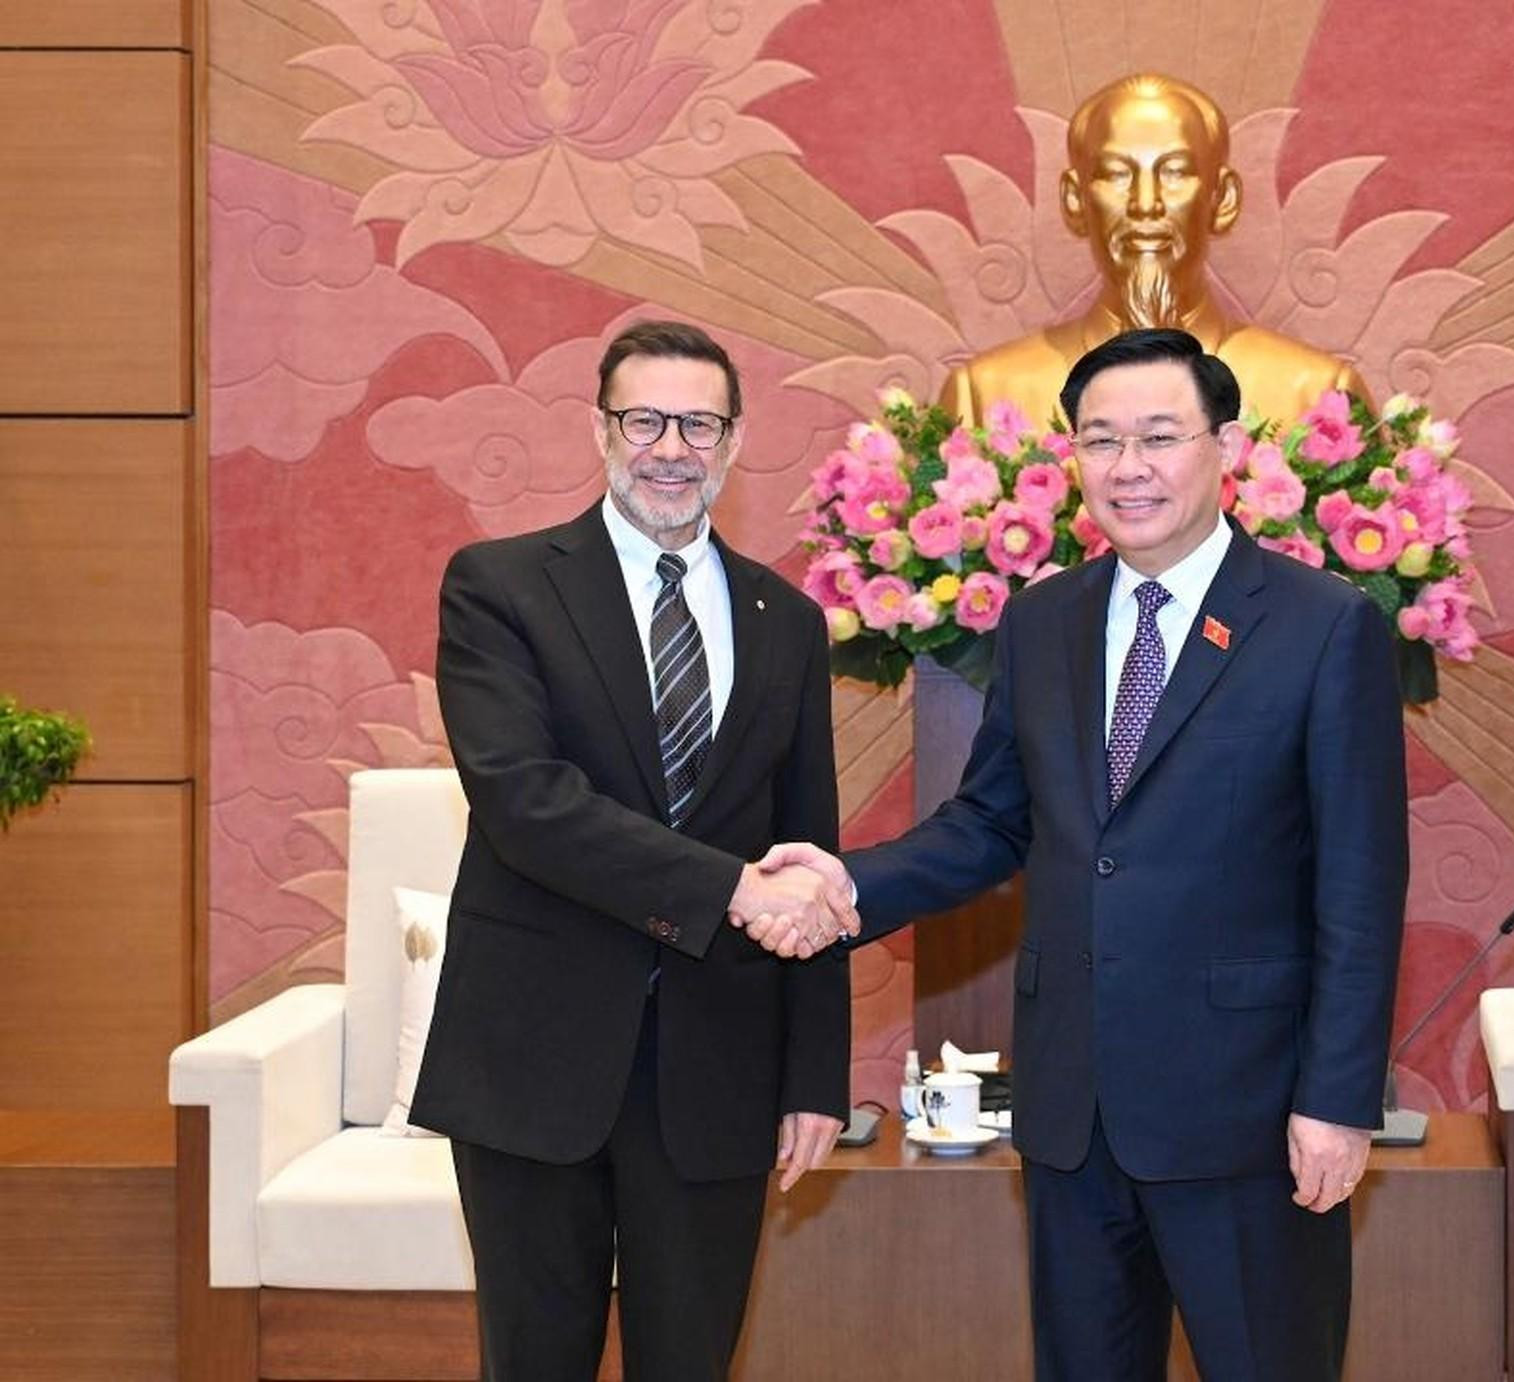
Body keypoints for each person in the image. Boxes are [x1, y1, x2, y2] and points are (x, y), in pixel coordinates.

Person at [750, 328, 1408, 1382]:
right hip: (1072, 1110)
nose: (1127, 466)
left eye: (1158, 435)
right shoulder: (1043, 620)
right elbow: (992, 821)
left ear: (1224, 447)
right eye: (1100, 440)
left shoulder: (1323, 627)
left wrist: (1336, 1098)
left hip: (1245, 1113)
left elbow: (1361, 887)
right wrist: (847, 880)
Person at [412, 319, 858, 1381]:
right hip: (534, 1055)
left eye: (697, 422)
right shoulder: (502, 585)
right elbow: (526, 801)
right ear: (601, 430)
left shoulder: (787, 620)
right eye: (645, 419)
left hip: (718, 1064)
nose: (671, 446)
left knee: (693, 1362)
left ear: (734, 439)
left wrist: (816, 1075)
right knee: (533, 1360)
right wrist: (728, 889)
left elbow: (809, 844)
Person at [939, 72, 1366, 431]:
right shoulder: (985, 397)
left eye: (1176, 173)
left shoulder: (1317, 396)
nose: (1146, 205)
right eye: (1116, 174)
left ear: (1223, 200)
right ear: (1074, 200)